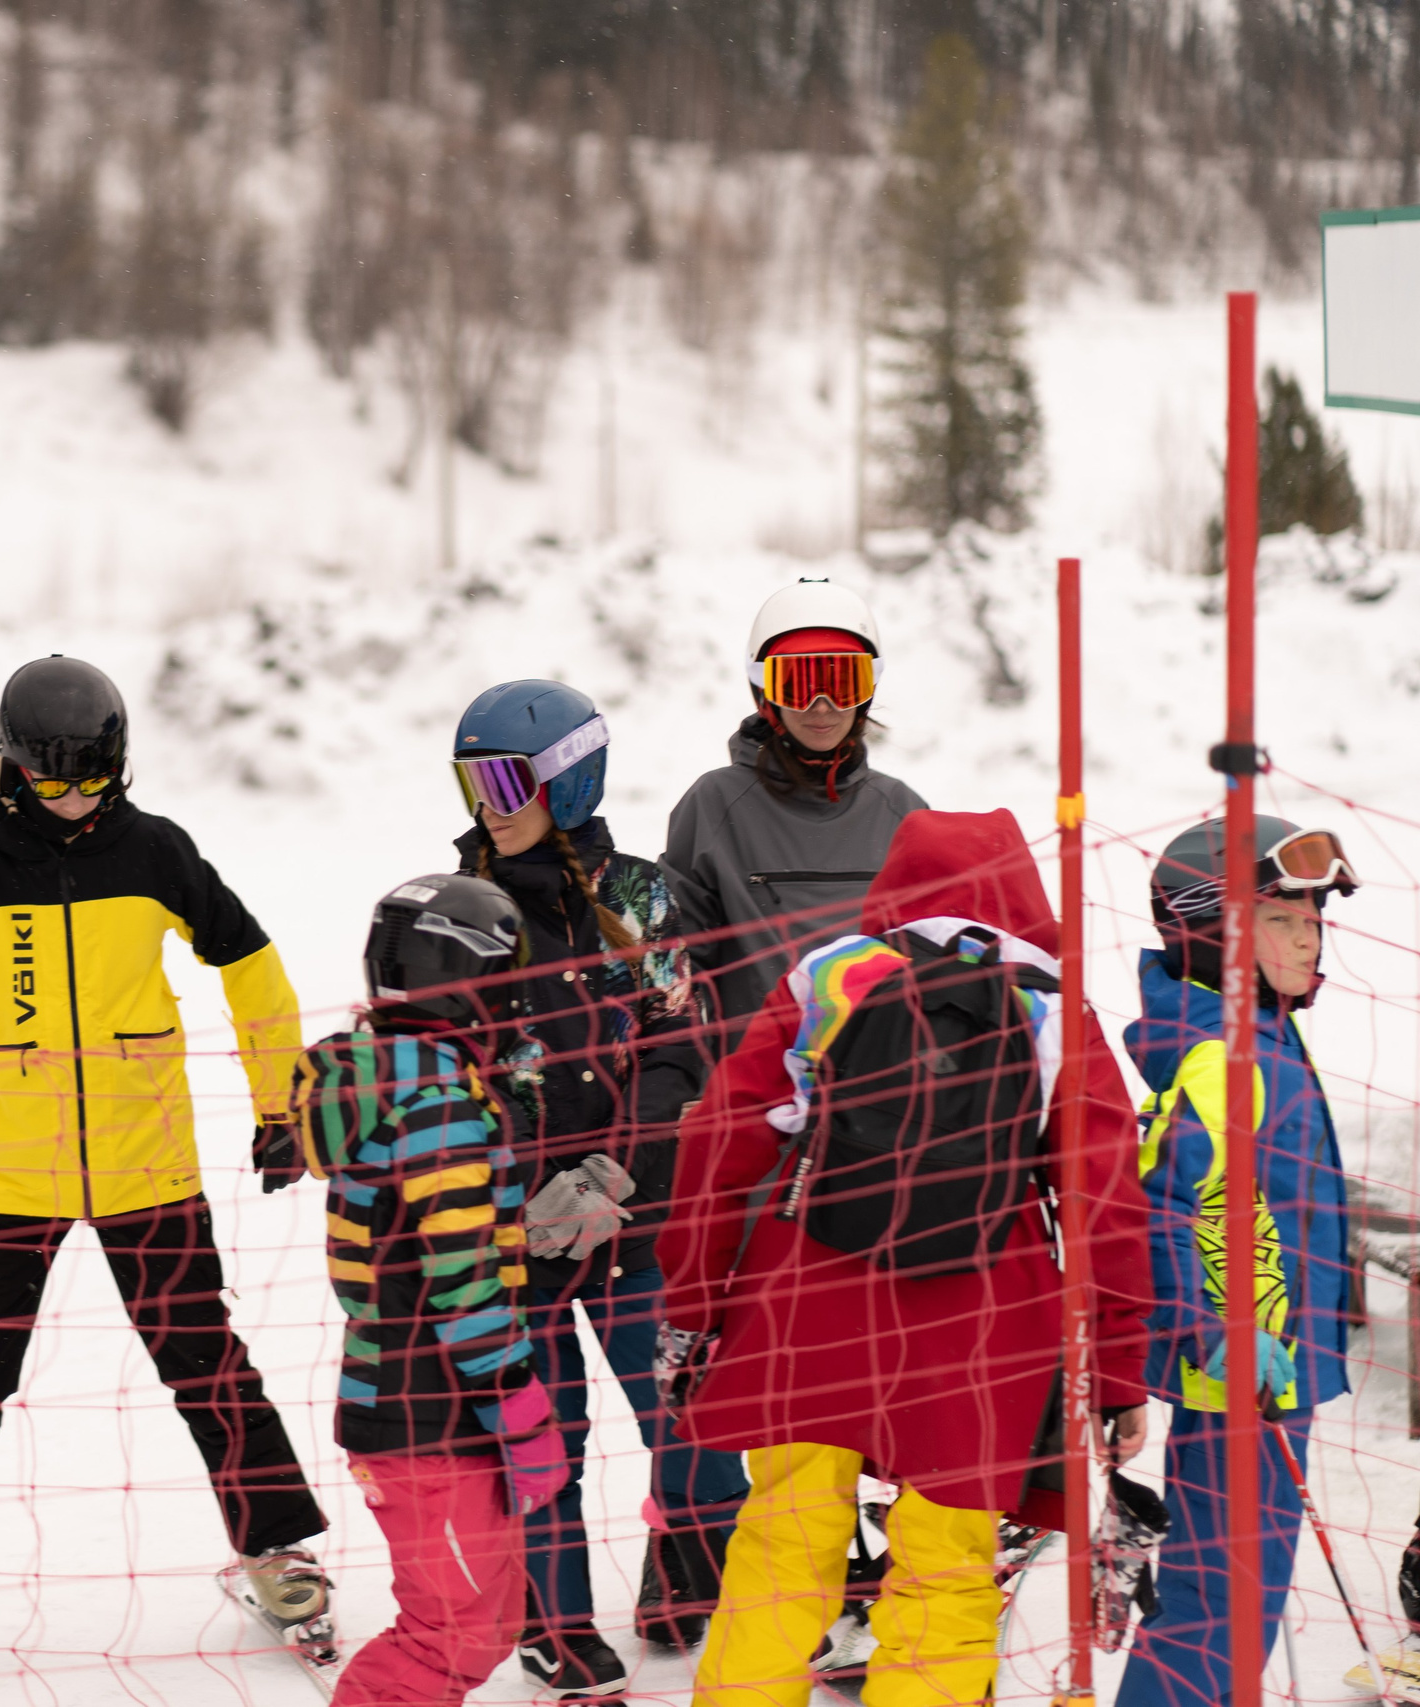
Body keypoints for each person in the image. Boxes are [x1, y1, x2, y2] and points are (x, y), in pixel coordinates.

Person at [0, 655, 334, 1642]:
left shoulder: (155, 853)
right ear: (8, 767)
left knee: (209, 1367)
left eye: (92, 775)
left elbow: (251, 967)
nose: (72, 796)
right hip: (4, 1179)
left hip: (148, 1165)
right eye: (50, 776)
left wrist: (277, 1101)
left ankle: (276, 1548)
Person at [657, 809, 1155, 1707]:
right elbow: (1106, 1209)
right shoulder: (1054, 1006)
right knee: (946, 1575)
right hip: (980, 1335)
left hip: (805, 1309)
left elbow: (720, 1145)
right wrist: (1118, 1373)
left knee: (780, 1554)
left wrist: (694, 1300)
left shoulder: (830, 975)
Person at [448, 678, 733, 1695]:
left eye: (507, 778)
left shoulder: (640, 896)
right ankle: (554, 1621)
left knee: (690, 1412)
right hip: (511, 1232)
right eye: (471, 777)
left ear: (568, 782)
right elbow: (437, 1062)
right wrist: (502, 1187)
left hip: (631, 1217)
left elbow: (675, 1044)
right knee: (543, 1437)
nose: (487, 800)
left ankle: (691, 1564)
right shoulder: (456, 912)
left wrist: (623, 1171)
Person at [295, 873, 570, 1707]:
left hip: (416, 1398)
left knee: (483, 1617)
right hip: (427, 1408)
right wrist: (517, 1396)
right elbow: (462, 1275)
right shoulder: (435, 1101)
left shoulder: (396, 1080)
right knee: (453, 1629)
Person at [1116, 816, 1358, 1707]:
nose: (1309, 939)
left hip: (1270, 1363)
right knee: (1220, 1604)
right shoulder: (1229, 1054)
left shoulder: (1259, 1031)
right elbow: (1160, 1206)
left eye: (1314, 922)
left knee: (1227, 1597)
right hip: (1245, 1371)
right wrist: (1217, 1332)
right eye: (1282, 921)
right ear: (1215, 933)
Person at [662, 578, 926, 1057]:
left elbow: (940, 960)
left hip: (877, 1090)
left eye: (842, 685)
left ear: (866, 693)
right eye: (799, 684)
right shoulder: (715, 805)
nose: (820, 706)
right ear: (766, 692)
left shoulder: (903, 813)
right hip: (757, 1086)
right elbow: (676, 971)